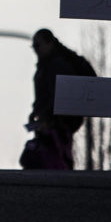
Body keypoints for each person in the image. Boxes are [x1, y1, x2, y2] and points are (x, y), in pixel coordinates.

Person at [23, 28, 91, 170]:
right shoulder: (46, 65)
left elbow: (58, 96)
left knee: (53, 160)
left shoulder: (57, 65)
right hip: (51, 123)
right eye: (34, 47)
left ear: (50, 44)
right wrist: (35, 113)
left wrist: (48, 117)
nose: (35, 50)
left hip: (58, 125)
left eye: (38, 46)